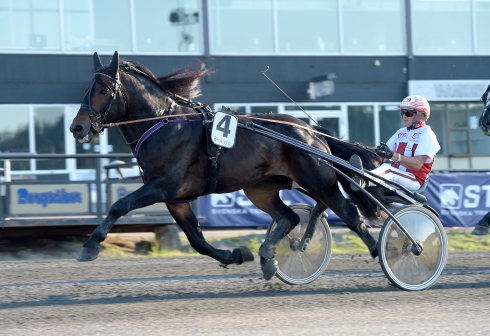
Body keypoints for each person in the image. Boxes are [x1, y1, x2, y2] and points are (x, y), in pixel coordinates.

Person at [350, 94, 440, 191]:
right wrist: (362, 152)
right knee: (377, 166)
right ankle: (355, 176)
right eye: (402, 112)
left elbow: (417, 165)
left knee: (387, 169)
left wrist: (393, 156)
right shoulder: (401, 132)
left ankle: (363, 180)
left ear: (422, 115)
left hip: (414, 180)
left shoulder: (427, 134)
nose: (404, 116)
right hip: (396, 175)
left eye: (409, 113)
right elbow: (381, 157)